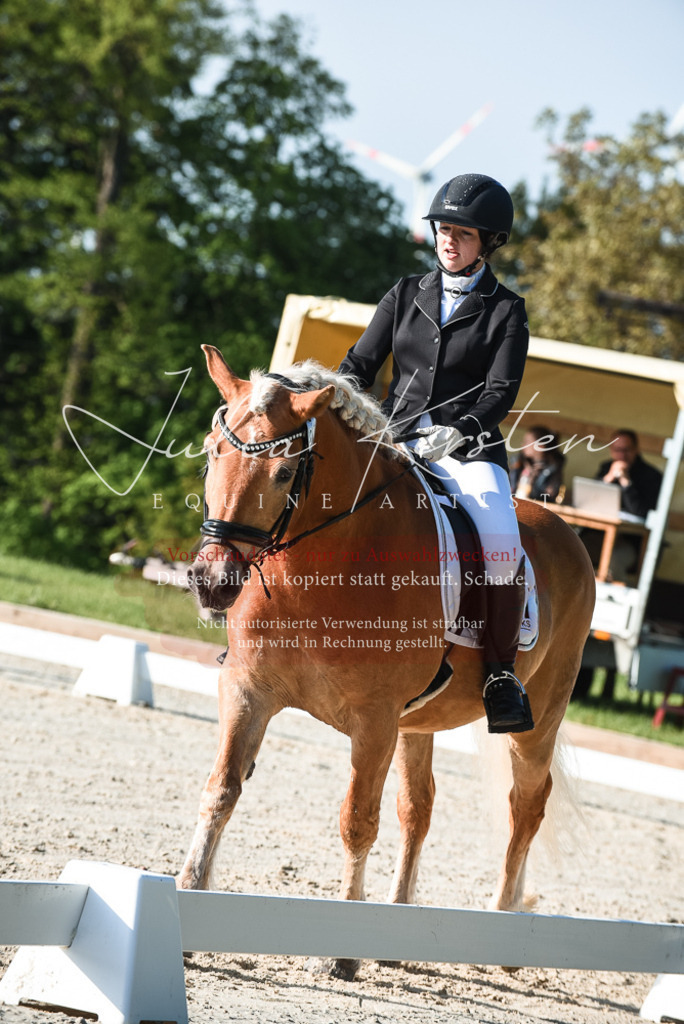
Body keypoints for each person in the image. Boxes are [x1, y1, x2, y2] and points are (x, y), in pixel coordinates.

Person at [339, 173, 533, 734]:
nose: (449, 241)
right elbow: (359, 365)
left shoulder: (507, 310)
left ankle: (499, 673)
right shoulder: (405, 293)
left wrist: (464, 427)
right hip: (394, 439)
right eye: (443, 230)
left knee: (500, 538)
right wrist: (340, 400)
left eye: (463, 233)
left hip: (466, 449)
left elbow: (500, 391)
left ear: (489, 241)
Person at [509, 425, 565, 504]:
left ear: (540, 446)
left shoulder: (552, 469)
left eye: (527, 442)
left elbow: (548, 498)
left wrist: (532, 478)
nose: (523, 445)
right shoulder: (518, 463)